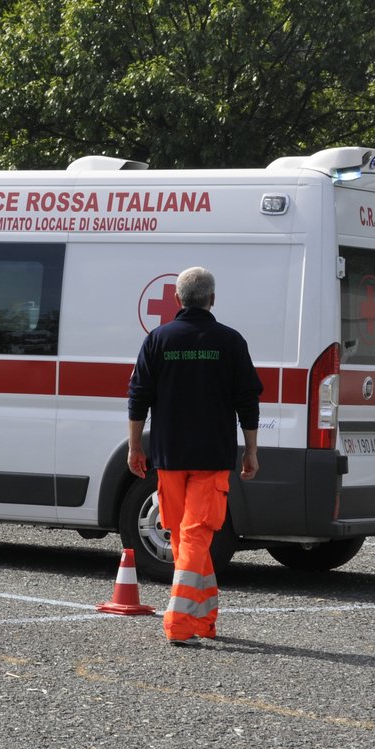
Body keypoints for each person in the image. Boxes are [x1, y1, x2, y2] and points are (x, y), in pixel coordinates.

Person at [126, 266, 263, 647]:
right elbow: (247, 401)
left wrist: (136, 446)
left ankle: (202, 619)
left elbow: (137, 397)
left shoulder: (158, 339)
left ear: (176, 300)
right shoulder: (231, 341)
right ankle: (180, 622)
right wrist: (251, 450)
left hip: (169, 458)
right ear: (212, 299)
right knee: (194, 536)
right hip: (212, 457)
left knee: (188, 537)